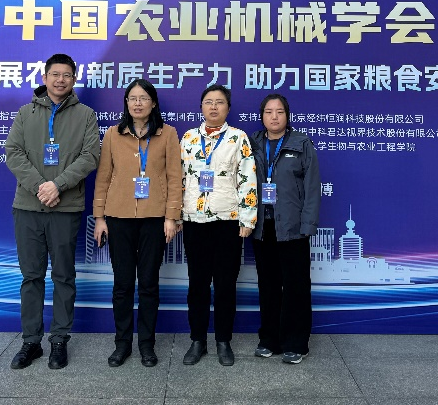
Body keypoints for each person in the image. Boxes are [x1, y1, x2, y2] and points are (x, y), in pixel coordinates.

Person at [5, 53, 100, 370]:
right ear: (44, 77)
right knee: (31, 276)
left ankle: (59, 340)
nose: (61, 80)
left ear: (74, 79)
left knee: (63, 276)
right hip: (28, 207)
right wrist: (40, 187)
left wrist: (57, 185)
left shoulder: (85, 115)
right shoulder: (25, 113)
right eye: (55, 74)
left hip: (65, 207)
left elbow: (90, 156)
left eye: (67, 75)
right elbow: (13, 152)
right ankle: (31, 341)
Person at [92, 79, 182, 368]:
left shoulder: (167, 134)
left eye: (143, 98)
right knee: (122, 284)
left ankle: (146, 344)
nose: (138, 103)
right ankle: (122, 343)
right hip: (118, 218)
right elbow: (103, 178)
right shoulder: (113, 134)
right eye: (132, 98)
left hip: (154, 219)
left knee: (148, 284)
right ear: (126, 103)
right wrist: (100, 218)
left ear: (153, 103)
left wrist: (171, 217)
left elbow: (174, 177)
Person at [179, 84, 257, 367]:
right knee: (197, 284)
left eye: (220, 102)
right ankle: (197, 340)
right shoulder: (188, 138)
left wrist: (248, 218)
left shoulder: (238, 137)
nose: (214, 107)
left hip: (228, 221)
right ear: (201, 107)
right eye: (208, 102)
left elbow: (247, 178)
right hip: (194, 221)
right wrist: (176, 214)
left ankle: (224, 340)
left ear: (228, 108)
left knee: (225, 284)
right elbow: (179, 178)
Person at [250, 93, 320, 364]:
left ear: (287, 116)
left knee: (295, 286)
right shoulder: (253, 143)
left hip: (293, 227)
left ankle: (296, 343)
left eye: (279, 112)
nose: (274, 117)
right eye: (269, 112)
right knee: (268, 285)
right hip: (262, 227)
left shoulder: (301, 143)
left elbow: (312, 188)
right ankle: (269, 339)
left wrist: (307, 224)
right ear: (262, 116)